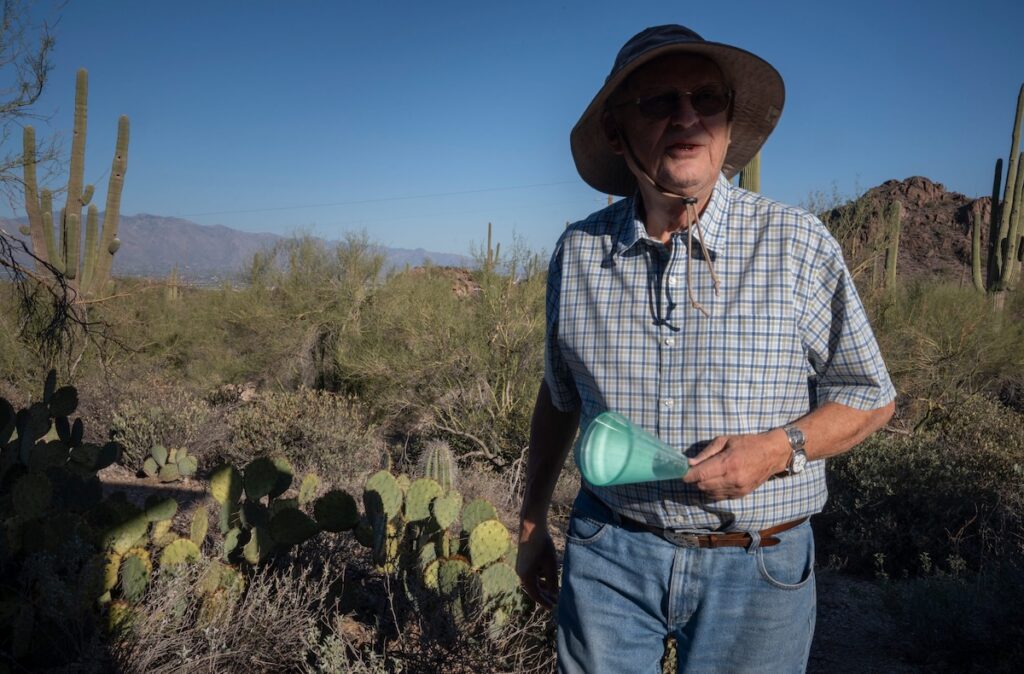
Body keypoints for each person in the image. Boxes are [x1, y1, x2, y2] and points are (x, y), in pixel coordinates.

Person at [516, 24, 896, 673]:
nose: (688, 116)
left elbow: (869, 398)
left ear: (727, 121)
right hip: (610, 550)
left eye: (706, 99)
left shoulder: (796, 245)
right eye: (661, 101)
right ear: (616, 132)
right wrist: (529, 524)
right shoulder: (578, 254)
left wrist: (780, 449)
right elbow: (560, 398)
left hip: (759, 565)